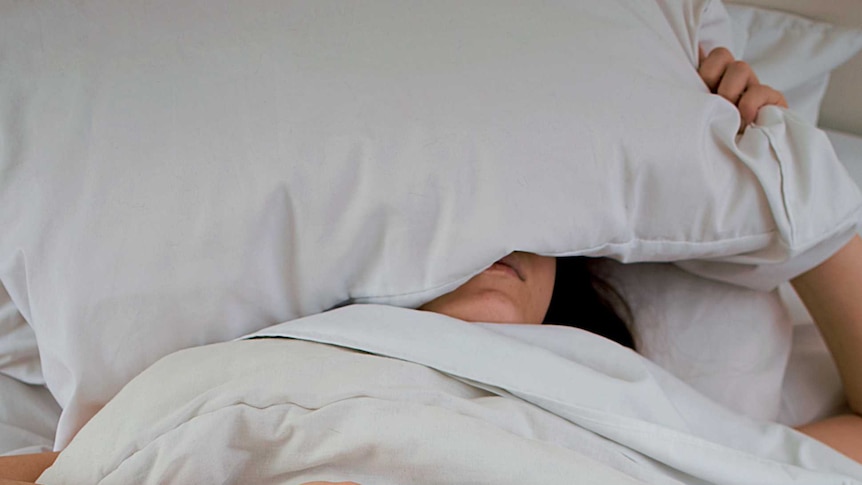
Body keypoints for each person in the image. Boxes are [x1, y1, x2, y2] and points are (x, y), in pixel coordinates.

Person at [2, 47, 858, 483]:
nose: (503, 244)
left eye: (532, 226)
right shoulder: (244, 374)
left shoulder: (634, 410)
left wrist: (784, 171)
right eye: (456, 224)